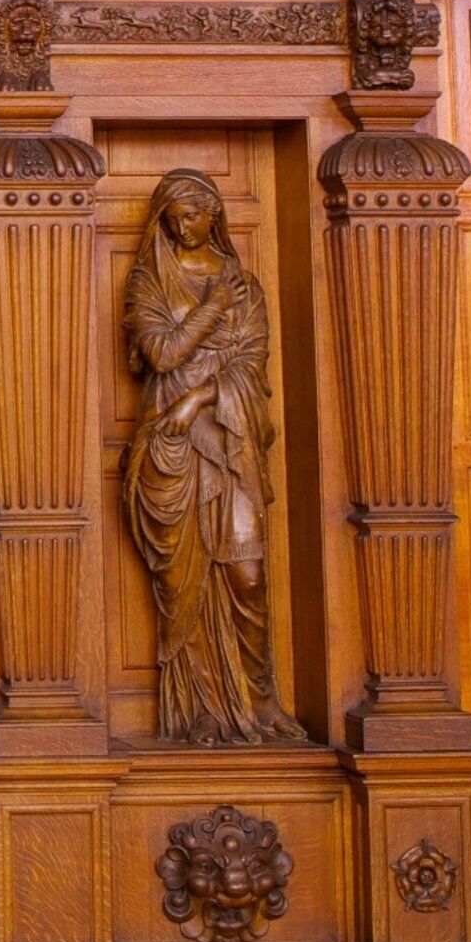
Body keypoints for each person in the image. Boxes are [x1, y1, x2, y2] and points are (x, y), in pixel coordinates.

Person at [124, 170, 303, 748]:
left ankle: (260, 699)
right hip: (171, 448)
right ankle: (197, 708)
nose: (184, 225)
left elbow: (253, 365)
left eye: (195, 214)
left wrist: (200, 395)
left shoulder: (245, 286)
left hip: (231, 443)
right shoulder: (148, 281)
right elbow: (161, 350)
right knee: (183, 582)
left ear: (215, 216)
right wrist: (212, 309)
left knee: (247, 576)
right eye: (174, 216)